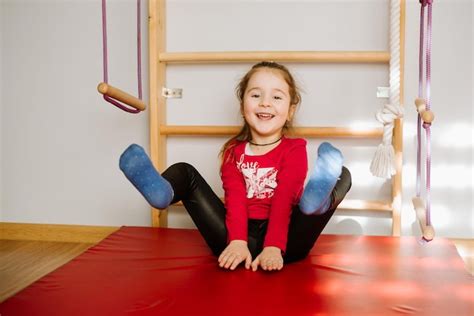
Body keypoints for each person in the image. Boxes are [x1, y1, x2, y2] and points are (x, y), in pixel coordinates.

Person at [119, 61, 351, 272]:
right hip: (235, 238)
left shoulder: (294, 149)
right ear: (242, 106)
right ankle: (163, 192)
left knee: (343, 175)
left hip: (287, 240)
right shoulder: (233, 151)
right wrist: (238, 242)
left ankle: (317, 203)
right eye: (256, 95)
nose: (265, 102)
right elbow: (236, 198)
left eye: (277, 97)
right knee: (185, 170)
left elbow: (283, 197)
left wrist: (273, 246)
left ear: (290, 111)